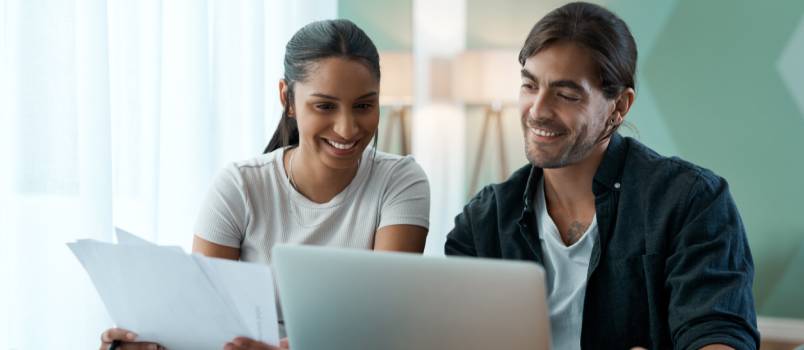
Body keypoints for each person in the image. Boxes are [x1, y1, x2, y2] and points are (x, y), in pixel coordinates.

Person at [99, 19, 430, 350]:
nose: (347, 128)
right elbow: (204, 324)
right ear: (287, 98)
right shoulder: (239, 185)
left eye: (364, 106)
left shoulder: (400, 182)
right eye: (325, 106)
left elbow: (386, 324)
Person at [445, 2, 758, 349]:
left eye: (566, 94)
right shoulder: (484, 220)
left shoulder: (691, 202)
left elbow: (718, 335)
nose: (537, 111)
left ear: (619, 106)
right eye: (530, 86)